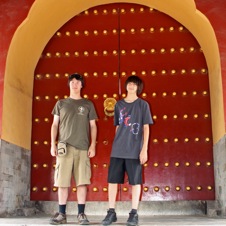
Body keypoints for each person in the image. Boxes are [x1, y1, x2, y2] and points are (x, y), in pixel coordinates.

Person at [102, 75, 153, 226]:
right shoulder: (118, 105)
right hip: (118, 149)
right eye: (129, 83)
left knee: (136, 182)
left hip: (134, 150)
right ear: (126, 86)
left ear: (138, 87)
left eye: (134, 84)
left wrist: (144, 149)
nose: (131, 86)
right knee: (112, 181)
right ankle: (111, 212)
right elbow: (117, 127)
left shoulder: (143, 105)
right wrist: (116, 144)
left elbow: (146, 127)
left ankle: (133, 214)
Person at [49, 73, 98, 225]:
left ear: (82, 85)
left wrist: (93, 144)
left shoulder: (88, 104)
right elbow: (55, 125)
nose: (75, 84)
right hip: (64, 148)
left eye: (78, 82)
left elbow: (93, 126)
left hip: (83, 148)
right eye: (72, 82)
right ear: (69, 84)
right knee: (62, 182)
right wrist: (53, 143)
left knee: (82, 182)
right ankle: (62, 214)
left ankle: (81, 214)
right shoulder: (61, 103)